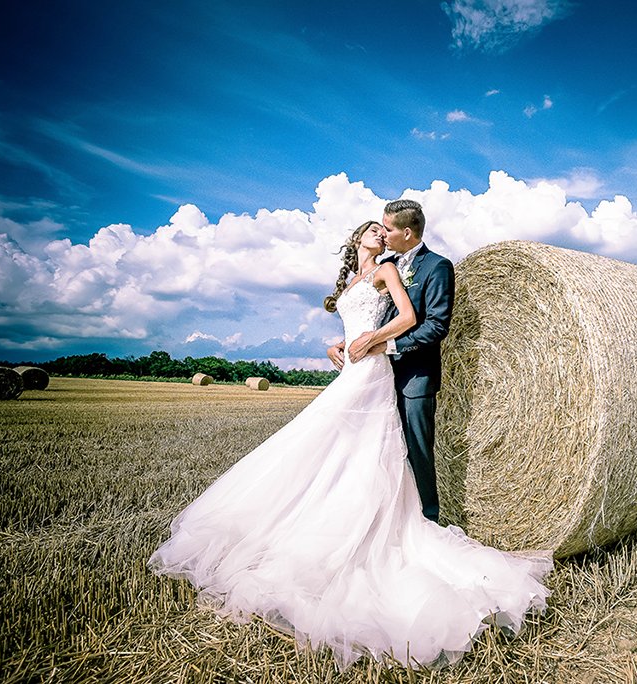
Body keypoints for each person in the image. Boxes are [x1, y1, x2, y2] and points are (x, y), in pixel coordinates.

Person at [148, 219, 552, 671]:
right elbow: (358, 315)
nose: (381, 234)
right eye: (374, 229)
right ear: (357, 237)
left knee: (359, 446)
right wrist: (338, 344)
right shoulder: (355, 278)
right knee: (329, 447)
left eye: (387, 230)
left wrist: (372, 341)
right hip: (352, 369)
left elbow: (409, 319)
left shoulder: (388, 271)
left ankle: (370, 529)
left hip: (374, 370)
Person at [329, 199, 452, 522]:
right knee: (372, 449)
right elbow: (377, 318)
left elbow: (436, 326)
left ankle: (427, 520)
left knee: (416, 450)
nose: (382, 232)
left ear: (407, 232)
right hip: (375, 372)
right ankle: (380, 517)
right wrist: (345, 343)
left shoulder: (437, 266)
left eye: (388, 227)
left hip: (415, 375)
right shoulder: (389, 266)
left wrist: (387, 346)